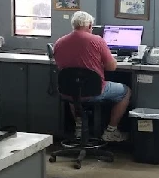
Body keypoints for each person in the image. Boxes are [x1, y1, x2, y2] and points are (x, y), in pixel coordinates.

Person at [53, 11, 131, 143]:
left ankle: (79, 128)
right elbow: (111, 67)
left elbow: (60, 66)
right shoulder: (97, 40)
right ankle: (111, 131)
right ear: (89, 25)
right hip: (93, 91)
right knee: (126, 91)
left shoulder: (59, 42)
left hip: (67, 90)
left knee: (74, 90)